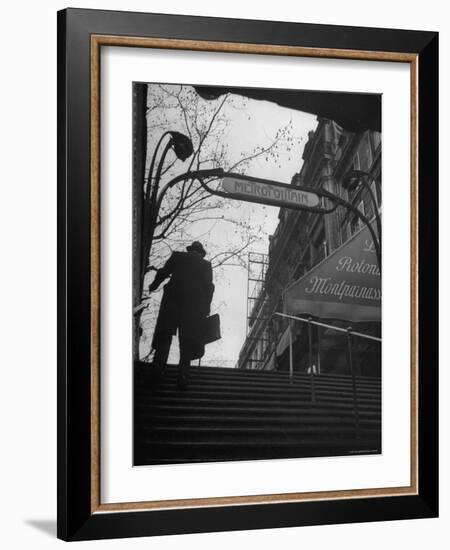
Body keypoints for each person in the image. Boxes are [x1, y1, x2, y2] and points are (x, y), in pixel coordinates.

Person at [148, 241, 214, 389]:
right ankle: (183, 376)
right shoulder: (205, 265)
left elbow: (163, 273)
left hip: (171, 302)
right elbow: (209, 288)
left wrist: (154, 285)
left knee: (165, 336)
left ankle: (157, 371)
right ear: (201, 253)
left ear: (190, 250)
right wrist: (206, 308)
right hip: (192, 308)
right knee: (187, 342)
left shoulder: (177, 257)